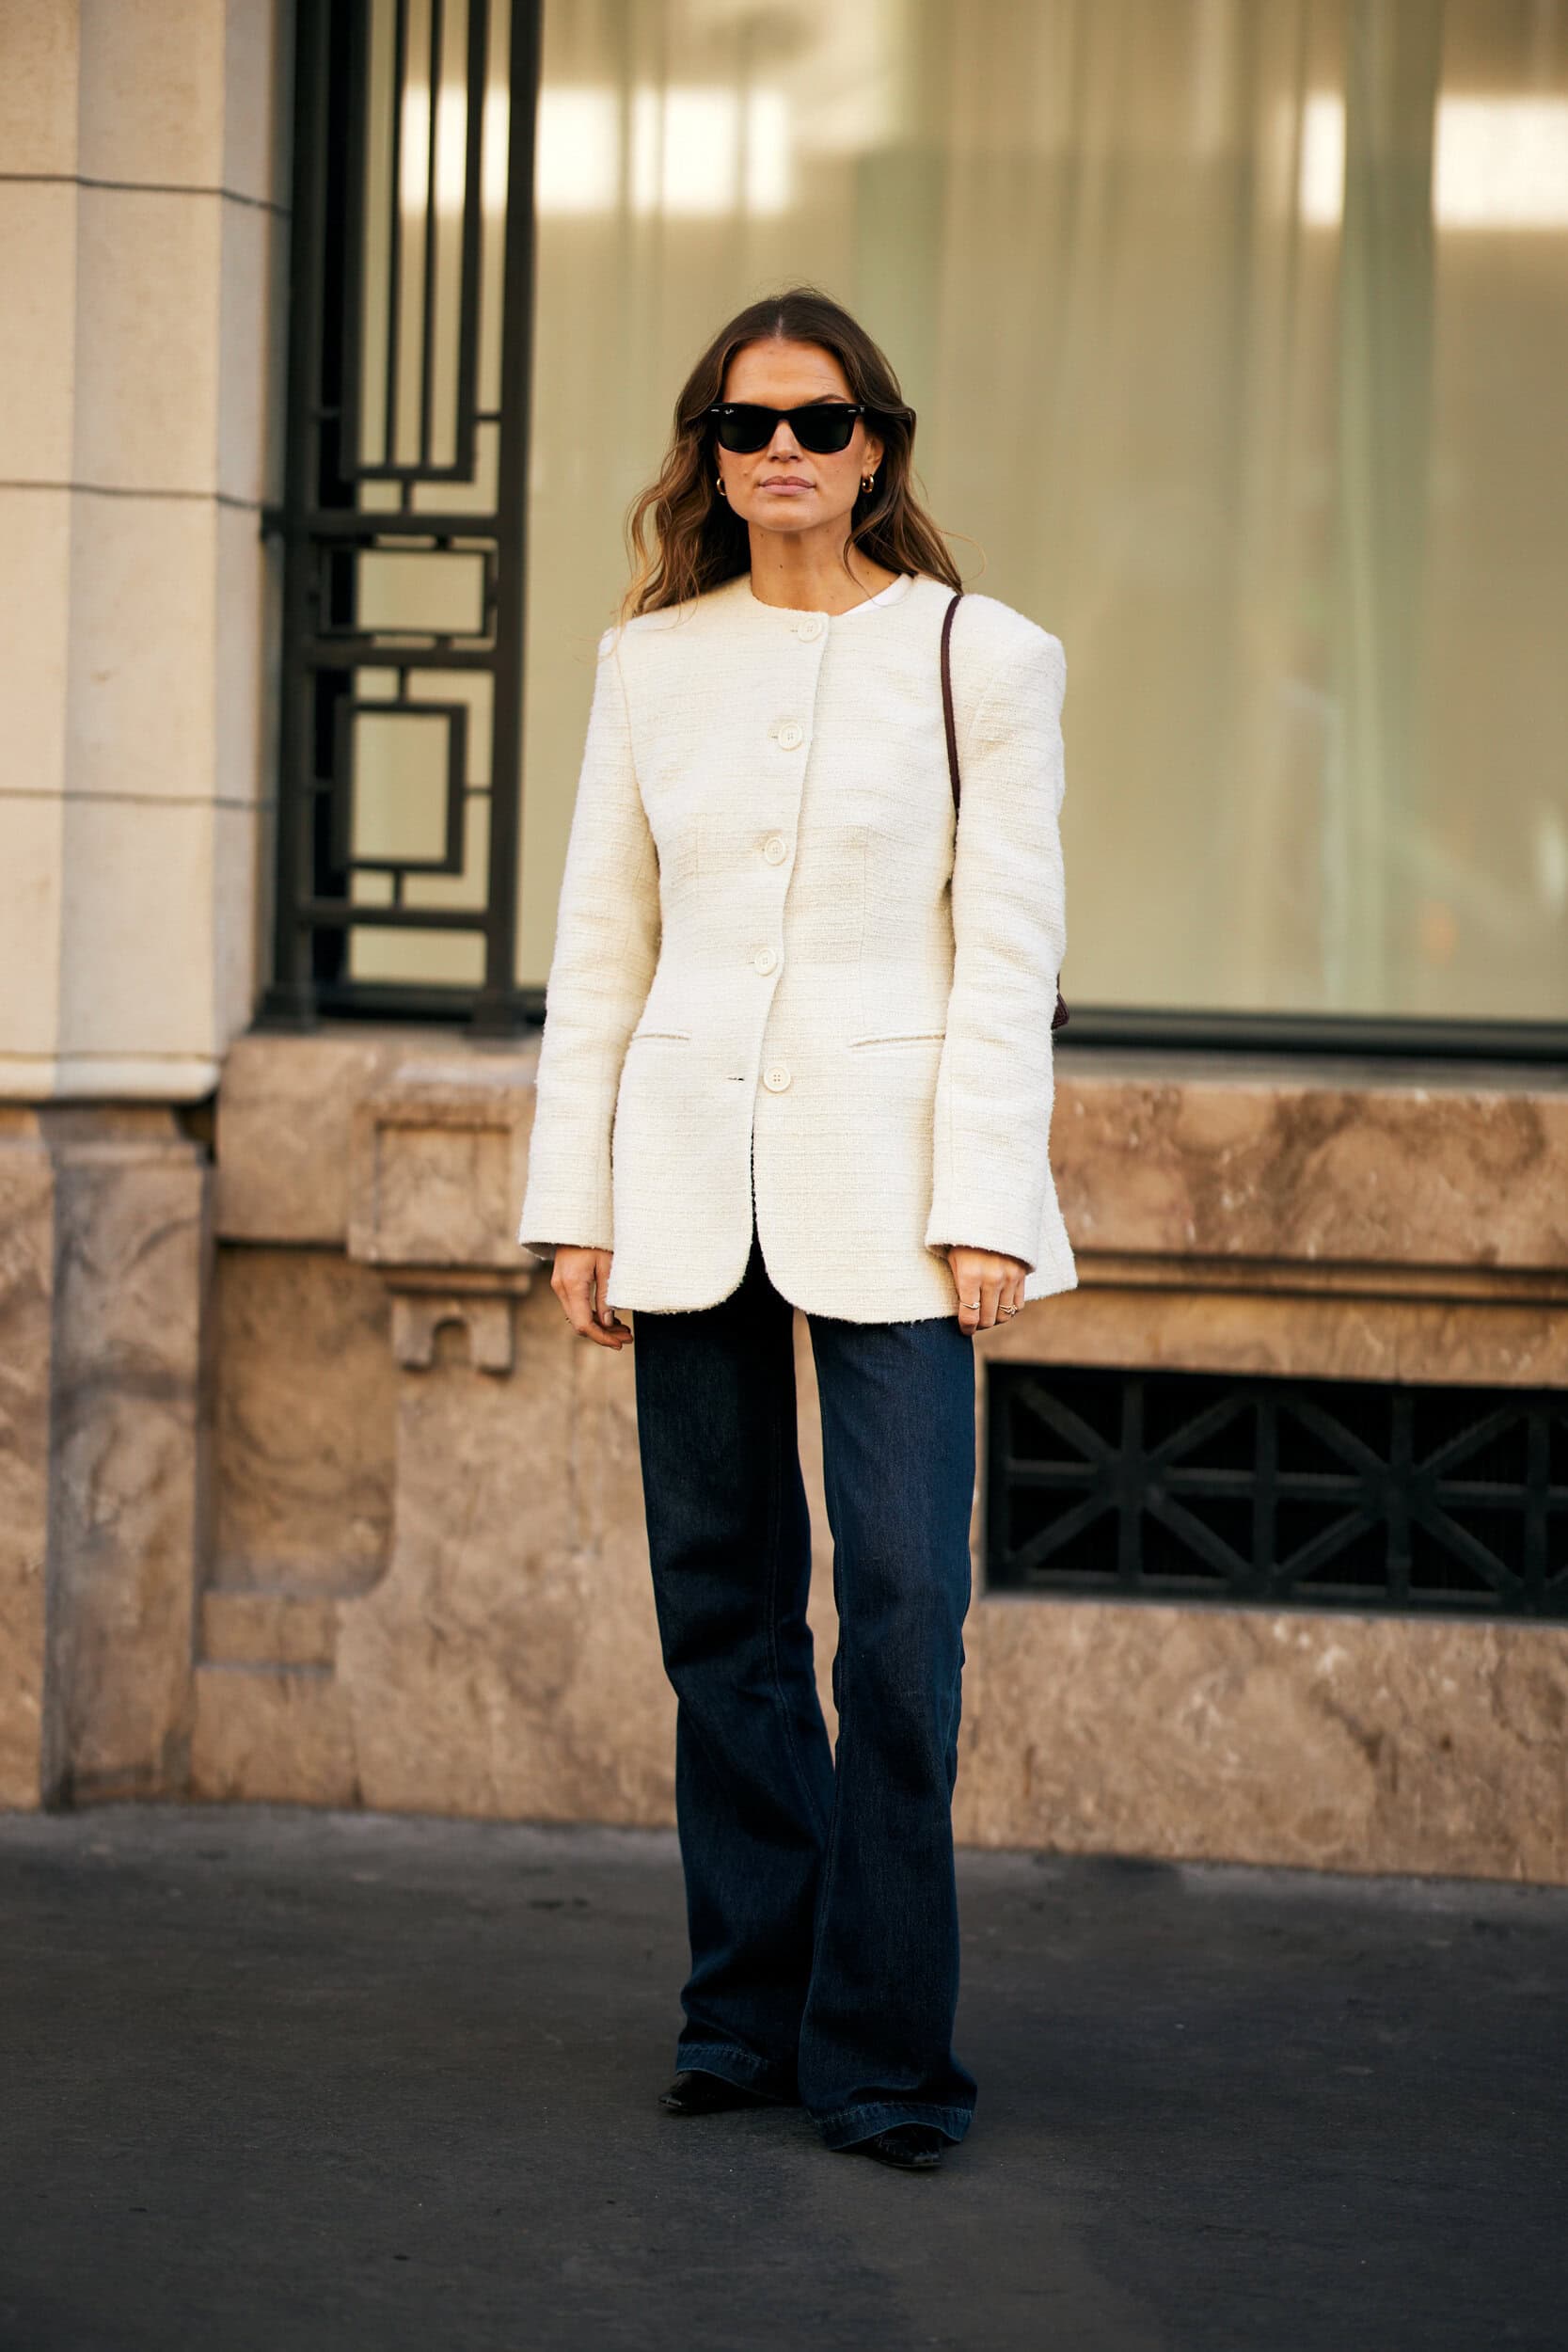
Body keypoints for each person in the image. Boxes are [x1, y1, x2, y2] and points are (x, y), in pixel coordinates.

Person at [517, 286, 1076, 2173]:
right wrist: (578, 1202)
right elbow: (605, 945)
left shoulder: (983, 656)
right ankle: (746, 2012)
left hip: (900, 1194)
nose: (782, 451)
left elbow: (1007, 953)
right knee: (723, 1617)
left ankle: (885, 2054)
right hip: (686, 1176)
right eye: (746, 423)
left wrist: (986, 1200)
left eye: (818, 422)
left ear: (876, 448)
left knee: (903, 1619)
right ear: (708, 452)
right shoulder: (648, 662)